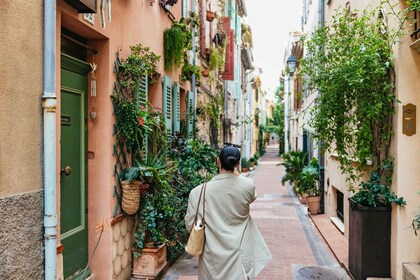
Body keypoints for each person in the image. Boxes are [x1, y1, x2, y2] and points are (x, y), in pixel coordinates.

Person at [185, 146, 272, 280]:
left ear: (218, 161)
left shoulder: (198, 192)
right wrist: (235, 172)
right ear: (237, 164)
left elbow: (190, 225)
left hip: (210, 259)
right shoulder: (248, 186)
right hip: (239, 256)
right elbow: (252, 195)